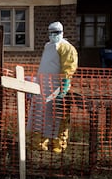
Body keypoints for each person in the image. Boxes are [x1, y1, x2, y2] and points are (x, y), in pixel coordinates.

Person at [27, 21, 78, 153]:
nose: (53, 35)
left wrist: (65, 85)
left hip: (57, 87)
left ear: (62, 32)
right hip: (42, 87)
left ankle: (58, 144)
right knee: (39, 115)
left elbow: (69, 66)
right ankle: (39, 143)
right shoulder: (48, 46)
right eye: (51, 33)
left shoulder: (66, 47)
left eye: (56, 33)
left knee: (57, 116)